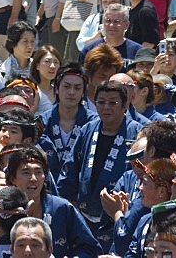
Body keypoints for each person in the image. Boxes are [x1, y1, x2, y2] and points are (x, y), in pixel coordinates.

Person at [57, 79, 142, 244]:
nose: (106, 107)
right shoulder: (87, 130)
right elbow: (71, 169)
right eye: (101, 102)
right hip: (83, 216)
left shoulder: (137, 133)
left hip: (118, 217)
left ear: (125, 105)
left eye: (113, 103)